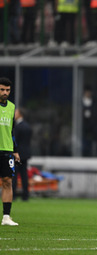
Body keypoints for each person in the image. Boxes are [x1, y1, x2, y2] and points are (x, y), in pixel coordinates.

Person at [0, 77, 20, 226]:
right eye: (2, 89)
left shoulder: (12, 107)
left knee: (8, 181)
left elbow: (12, 131)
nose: (5, 92)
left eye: (7, 90)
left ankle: (6, 217)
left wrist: (15, 150)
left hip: (6, 150)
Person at [12, 108, 32, 201]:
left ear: (20, 114)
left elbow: (15, 141)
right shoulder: (28, 126)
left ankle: (14, 194)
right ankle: (25, 195)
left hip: (18, 154)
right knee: (24, 175)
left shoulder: (17, 127)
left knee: (15, 174)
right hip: (25, 154)